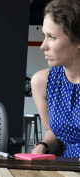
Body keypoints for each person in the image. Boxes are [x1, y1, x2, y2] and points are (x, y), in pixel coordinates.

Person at [31, 0, 80, 157]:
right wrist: (42, 146)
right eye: (44, 36)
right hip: (65, 170)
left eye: (51, 37)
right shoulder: (41, 82)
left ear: (77, 41)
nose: (43, 45)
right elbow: (52, 132)